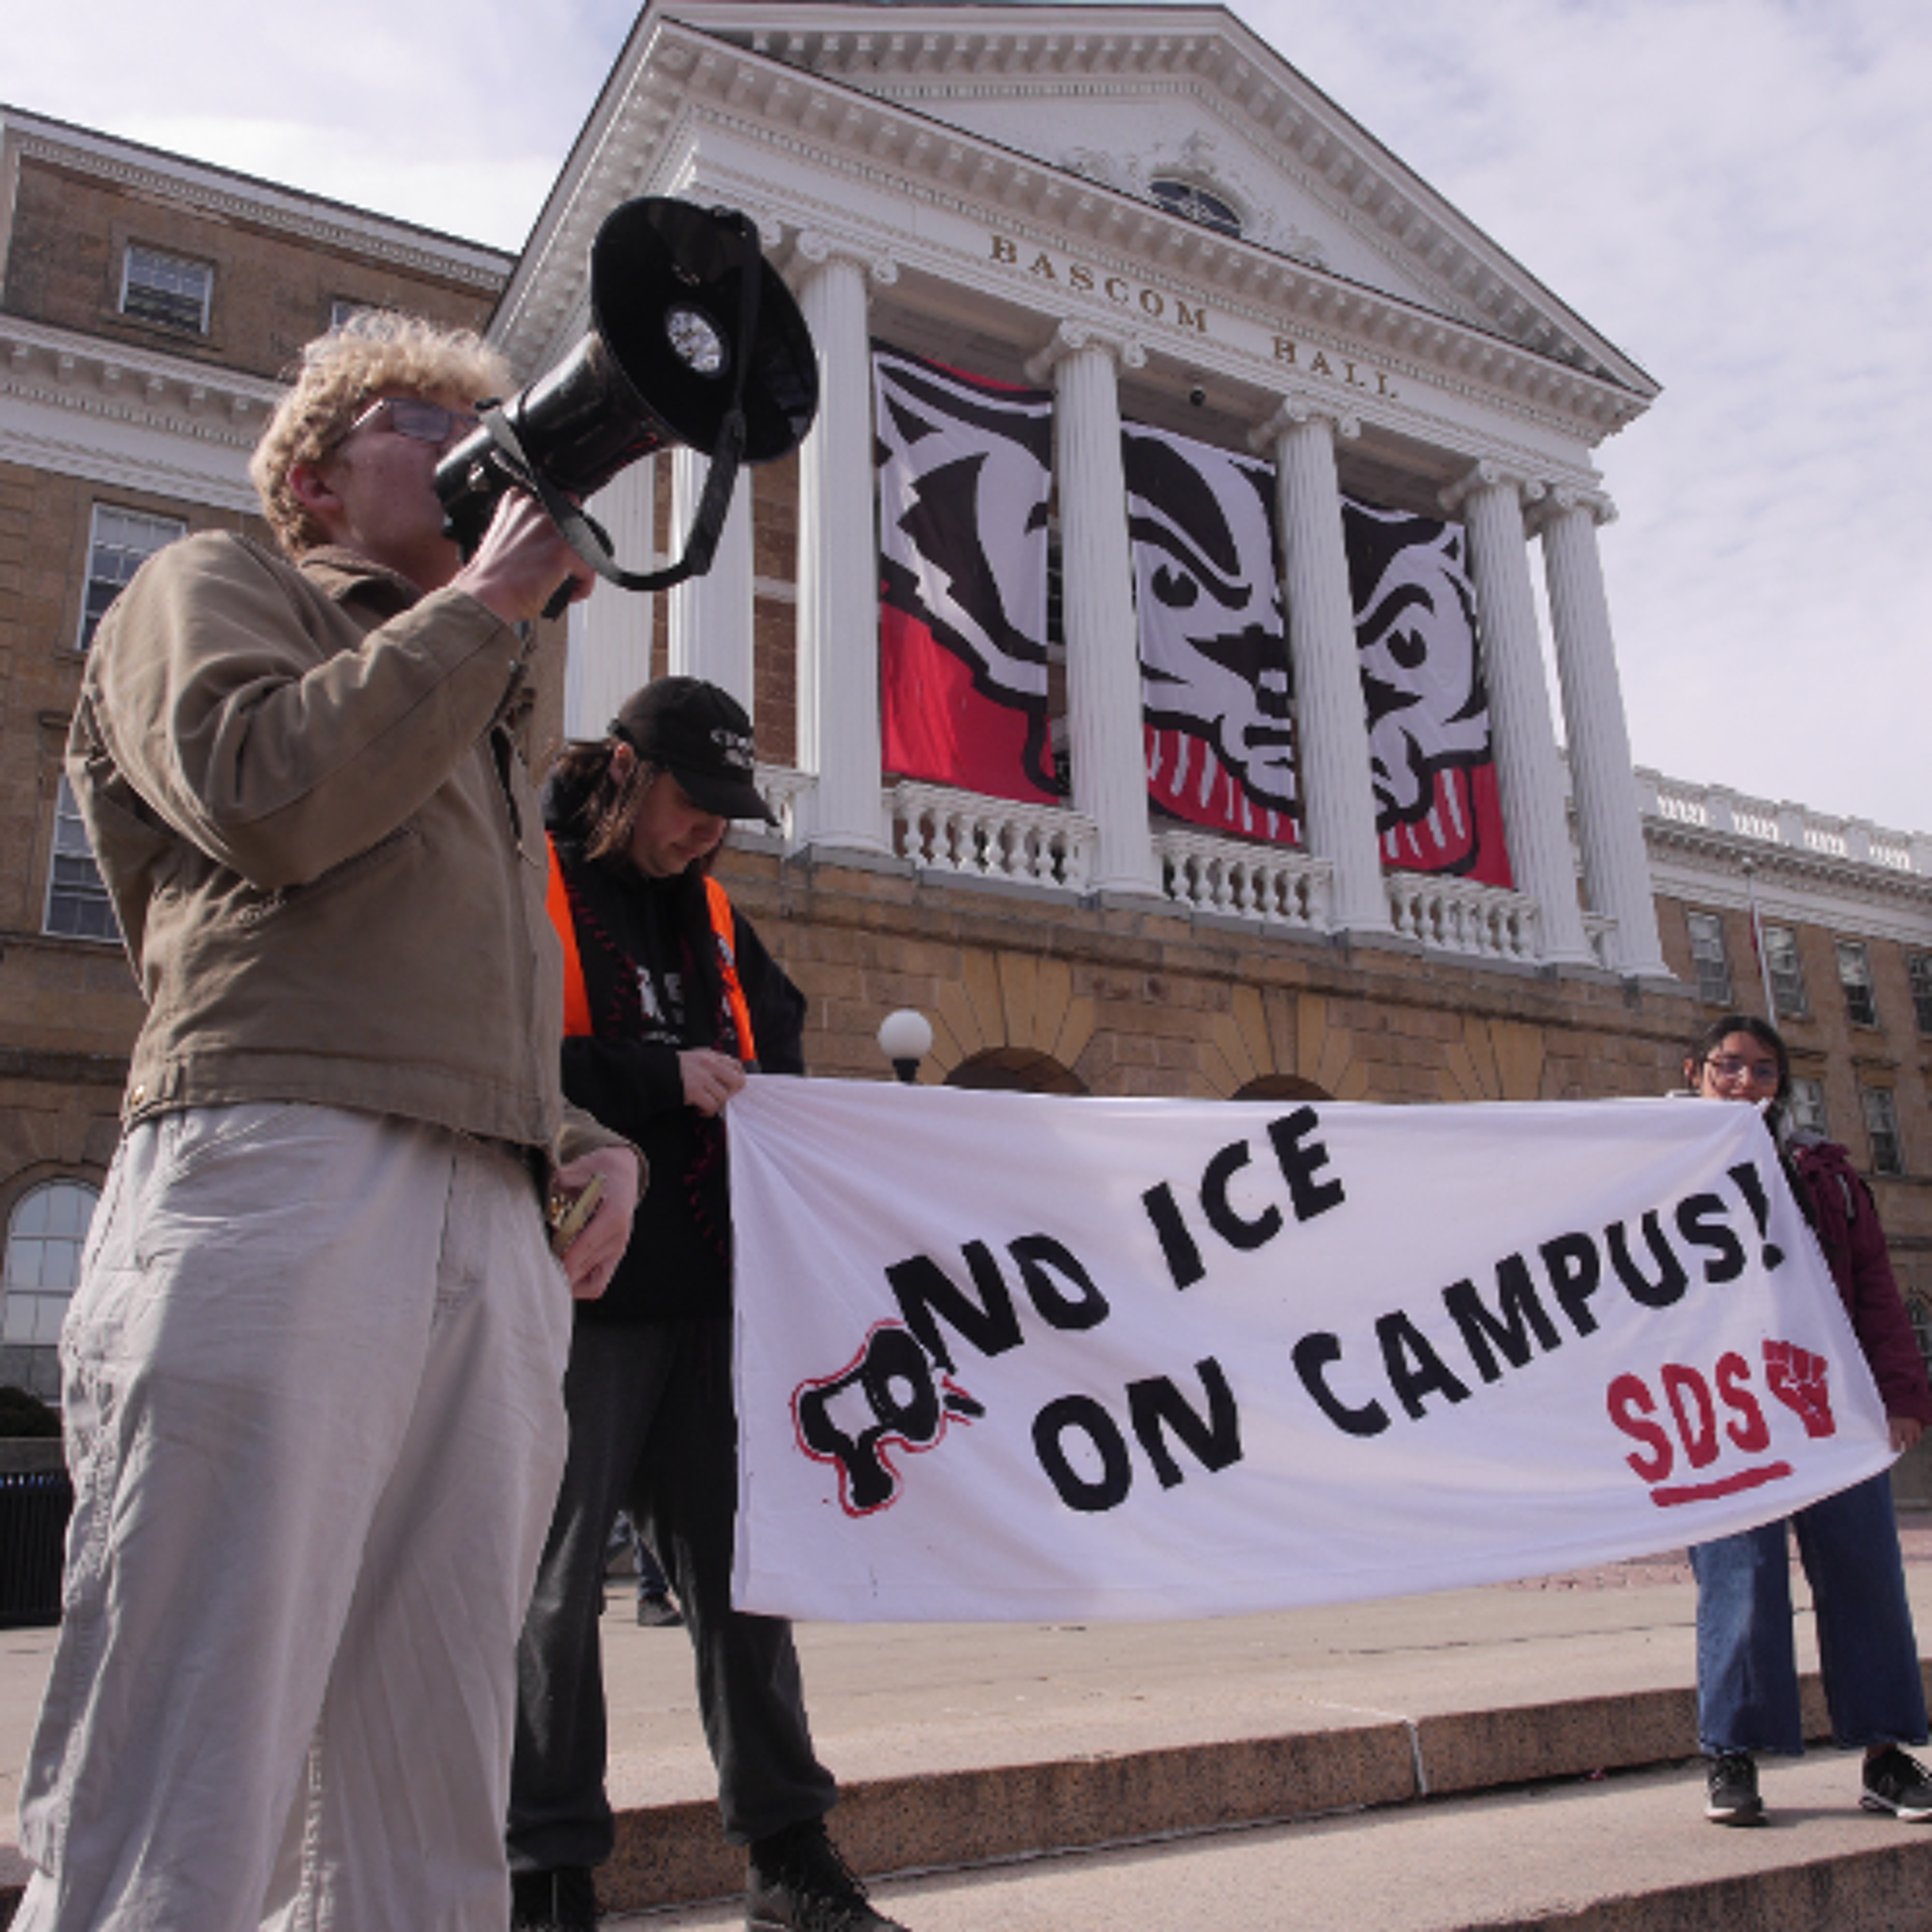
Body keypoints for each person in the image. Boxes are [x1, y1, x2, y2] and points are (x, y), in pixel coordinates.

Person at [15, 312, 643, 1931]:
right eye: (422, 423)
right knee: (200, 1729)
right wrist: (486, 601)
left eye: (486, 424)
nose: (471, 447)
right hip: (281, 1163)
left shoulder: (480, 695)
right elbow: (267, 797)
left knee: (425, 1768)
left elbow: (426, 975)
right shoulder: (218, 586)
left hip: (483, 1221)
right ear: (311, 473)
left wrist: (573, 1136)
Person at [508, 678, 908, 1932]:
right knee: (553, 1599)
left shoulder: (721, 920)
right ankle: (549, 1877)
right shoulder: (529, 881)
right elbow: (488, 1055)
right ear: (627, 771)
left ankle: (792, 1864)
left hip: (711, 1311)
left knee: (745, 1586)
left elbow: (774, 1075)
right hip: (569, 1300)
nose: (708, 834)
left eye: (728, 814)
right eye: (694, 804)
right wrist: (658, 1077)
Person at [1681, 1014, 1932, 1828]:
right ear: (1695, 1072)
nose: (1746, 1082)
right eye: (1730, 1067)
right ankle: (1733, 1758)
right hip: (1722, 1410)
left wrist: (1901, 1396)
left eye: (1763, 1071)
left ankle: (1886, 1755)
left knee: (1865, 1574)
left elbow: (1876, 1295)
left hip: (1826, 1403)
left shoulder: (1822, 1174)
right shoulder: (1655, 1169)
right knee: (1741, 1580)